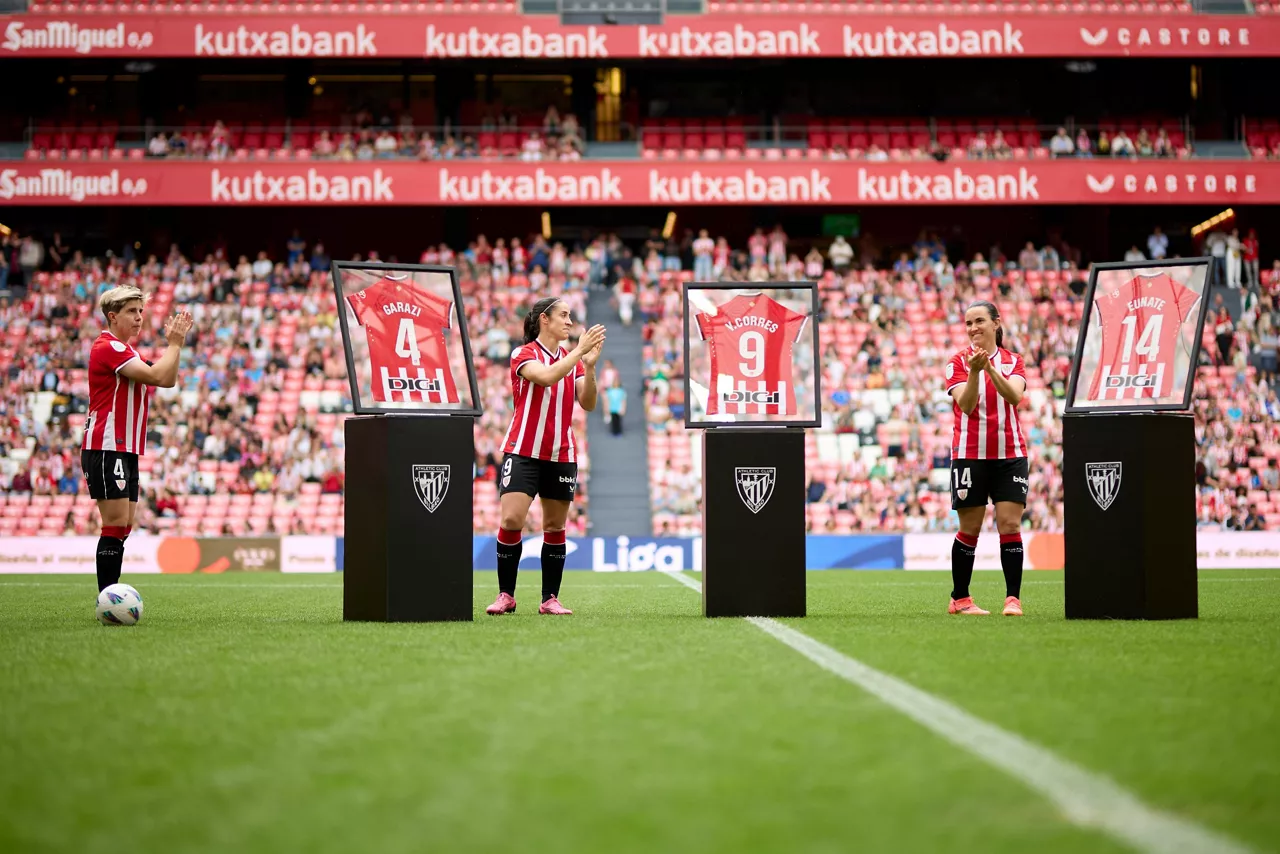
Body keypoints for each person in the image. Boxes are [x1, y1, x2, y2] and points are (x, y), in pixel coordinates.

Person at [487, 298, 605, 616]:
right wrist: (580, 353)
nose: (569, 321)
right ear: (544, 320)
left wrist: (590, 366)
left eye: (570, 316)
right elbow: (548, 376)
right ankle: (506, 595)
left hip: (560, 454)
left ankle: (549, 599)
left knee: (555, 526)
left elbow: (589, 402)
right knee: (512, 519)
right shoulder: (523, 354)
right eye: (563, 315)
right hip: (523, 450)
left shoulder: (573, 360)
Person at [82, 286, 193, 594]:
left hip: (125, 448)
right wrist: (173, 343)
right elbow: (158, 376)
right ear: (112, 316)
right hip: (106, 445)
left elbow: (167, 379)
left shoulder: (127, 351)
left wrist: (177, 346)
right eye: (132, 311)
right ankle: (107, 598)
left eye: (141, 311)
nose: (139, 317)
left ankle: (110, 594)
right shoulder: (108, 347)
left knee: (124, 526)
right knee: (115, 524)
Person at [943, 301, 1029, 617]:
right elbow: (965, 405)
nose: (973, 328)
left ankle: (1012, 599)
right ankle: (960, 599)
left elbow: (1015, 397)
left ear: (996, 323)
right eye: (968, 323)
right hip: (969, 455)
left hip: (1011, 454)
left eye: (979, 321)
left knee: (1009, 523)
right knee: (970, 527)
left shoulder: (1013, 361)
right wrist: (975, 372)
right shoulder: (956, 362)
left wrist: (989, 369)